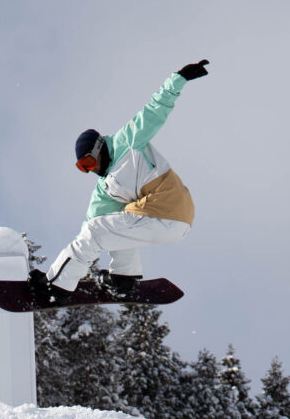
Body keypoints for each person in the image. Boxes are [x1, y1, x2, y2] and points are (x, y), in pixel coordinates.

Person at [35, 59, 210, 302]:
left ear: (99, 149)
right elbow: (93, 222)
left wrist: (178, 79)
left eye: (89, 162)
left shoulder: (127, 141)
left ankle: (56, 286)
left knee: (99, 230)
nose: (91, 170)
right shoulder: (105, 188)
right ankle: (124, 278)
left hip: (169, 208)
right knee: (109, 223)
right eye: (83, 168)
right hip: (169, 221)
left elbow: (154, 110)